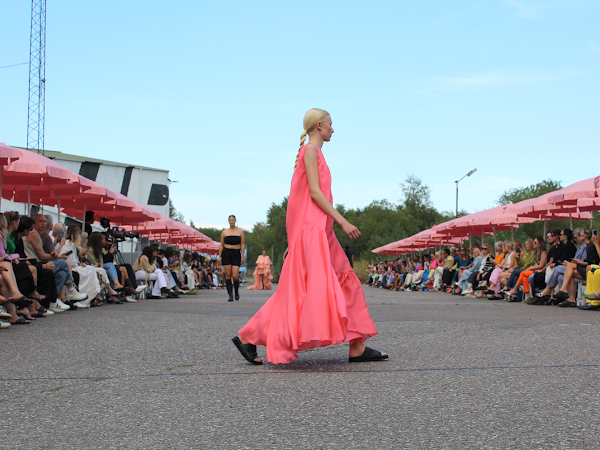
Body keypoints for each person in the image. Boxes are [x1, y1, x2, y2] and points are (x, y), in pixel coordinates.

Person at [232, 108, 385, 365]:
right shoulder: (310, 151)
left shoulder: (315, 153)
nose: (333, 129)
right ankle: (249, 336)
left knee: (346, 282)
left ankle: (357, 346)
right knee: (302, 291)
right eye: (330, 125)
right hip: (313, 232)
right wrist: (343, 221)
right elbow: (313, 193)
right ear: (318, 127)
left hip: (321, 231)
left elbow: (298, 200)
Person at [219, 215, 244, 302]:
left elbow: (242, 245)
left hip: (236, 253)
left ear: (235, 221)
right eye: (230, 220)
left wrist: (243, 256)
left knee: (235, 275)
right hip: (226, 253)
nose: (231, 221)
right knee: (228, 275)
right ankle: (230, 295)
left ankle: (236, 291)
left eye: (233, 220)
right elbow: (221, 245)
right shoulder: (224, 232)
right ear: (228, 221)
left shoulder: (240, 232)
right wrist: (219, 256)